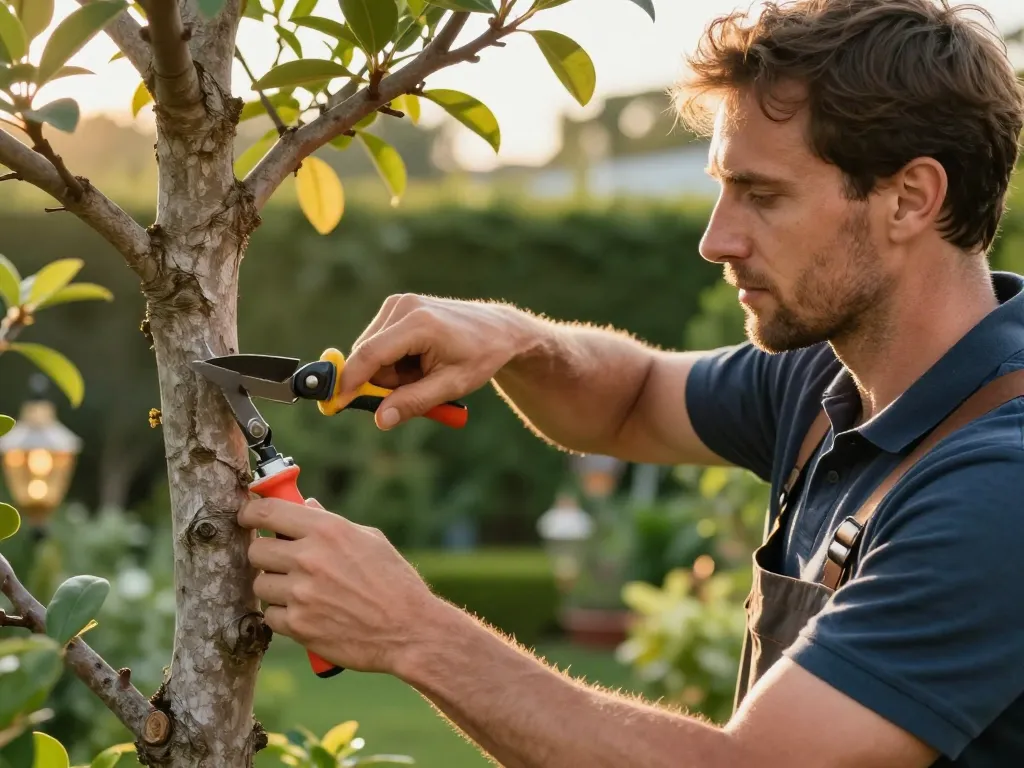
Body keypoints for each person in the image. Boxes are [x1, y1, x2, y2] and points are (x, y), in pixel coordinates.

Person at [237, 0, 1024, 765]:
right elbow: (633, 399)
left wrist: (411, 631)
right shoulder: (828, 377)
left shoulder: (998, 486)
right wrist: (519, 340)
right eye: (722, 187)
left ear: (911, 198)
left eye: (762, 194)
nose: (717, 239)